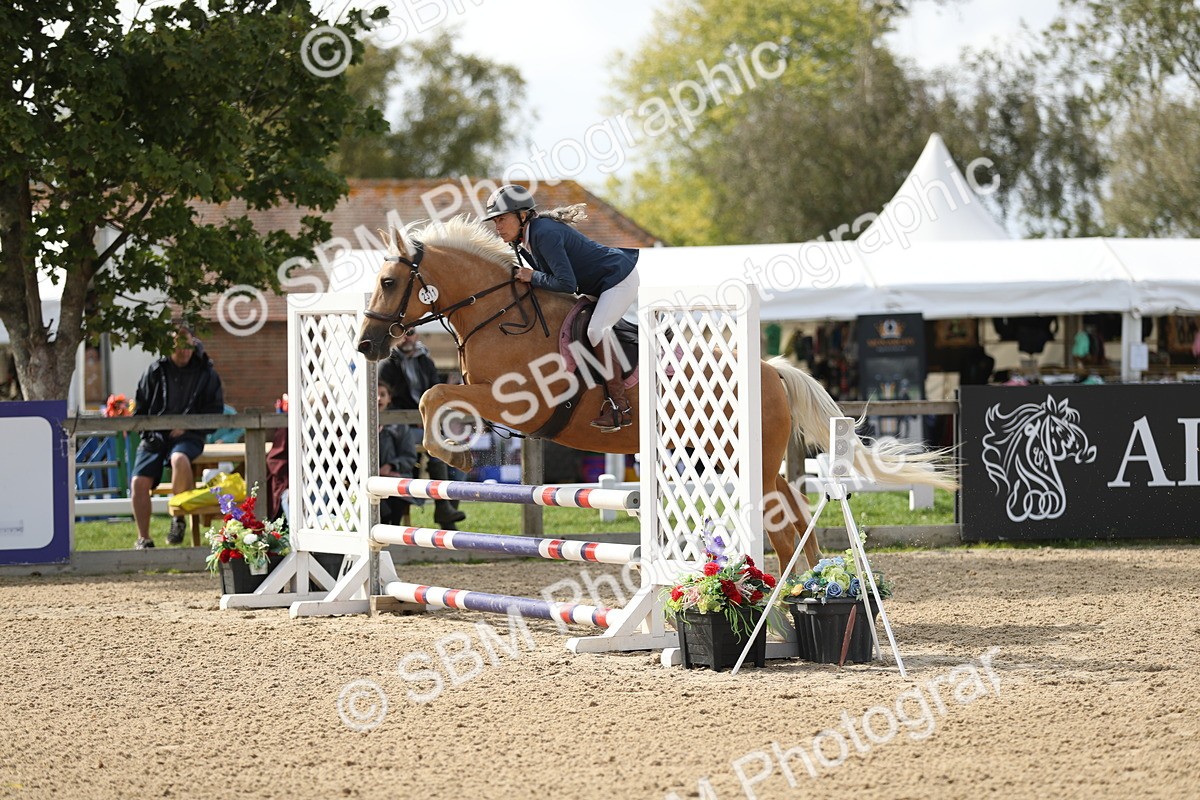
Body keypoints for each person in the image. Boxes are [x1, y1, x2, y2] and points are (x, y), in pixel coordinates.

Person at [484, 184, 640, 431]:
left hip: (617, 278)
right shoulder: (525, 240)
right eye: (495, 221)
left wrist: (532, 276)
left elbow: (566, 284)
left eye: (502, 219)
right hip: (597, 283)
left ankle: (620, 408)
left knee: (595, 331)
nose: (498, 227)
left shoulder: (544, 233)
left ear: (522, 216)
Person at [130, 324, 224, 548]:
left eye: (187, 345)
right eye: (178, 346)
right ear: (169, 346)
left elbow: (215, 411)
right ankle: (144, 539)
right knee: (138, 483)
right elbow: (139, 409)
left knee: (179, 459)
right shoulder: (154, 370)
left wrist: (187, 427)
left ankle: (178, 519)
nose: (183, 351)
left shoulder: (206, 373)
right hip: (155, 437)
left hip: (190, 436)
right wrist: (152, 430)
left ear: (194, 344)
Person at [379, 331, 468, 530]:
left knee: (458, 457)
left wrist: (427, 418)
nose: (406, 338)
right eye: (401, 335)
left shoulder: (425, 362)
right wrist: (418, 418)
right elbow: (385, 402)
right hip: (400, 428)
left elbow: (435, 395)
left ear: (416, 335)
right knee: (437, 449)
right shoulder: (387, 365)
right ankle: (444, 508)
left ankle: (447, 514)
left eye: (410, 333)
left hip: (426, 424)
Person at [376, 379, 421, 525]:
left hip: (395, 477)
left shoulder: (400, 425)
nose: (378, 398)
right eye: (374, 395)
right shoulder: (356, 423)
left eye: (382, 394)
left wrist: (391, 466)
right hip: (369, 481)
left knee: (396, 501)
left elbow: (409, 456)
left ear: (389, 398)